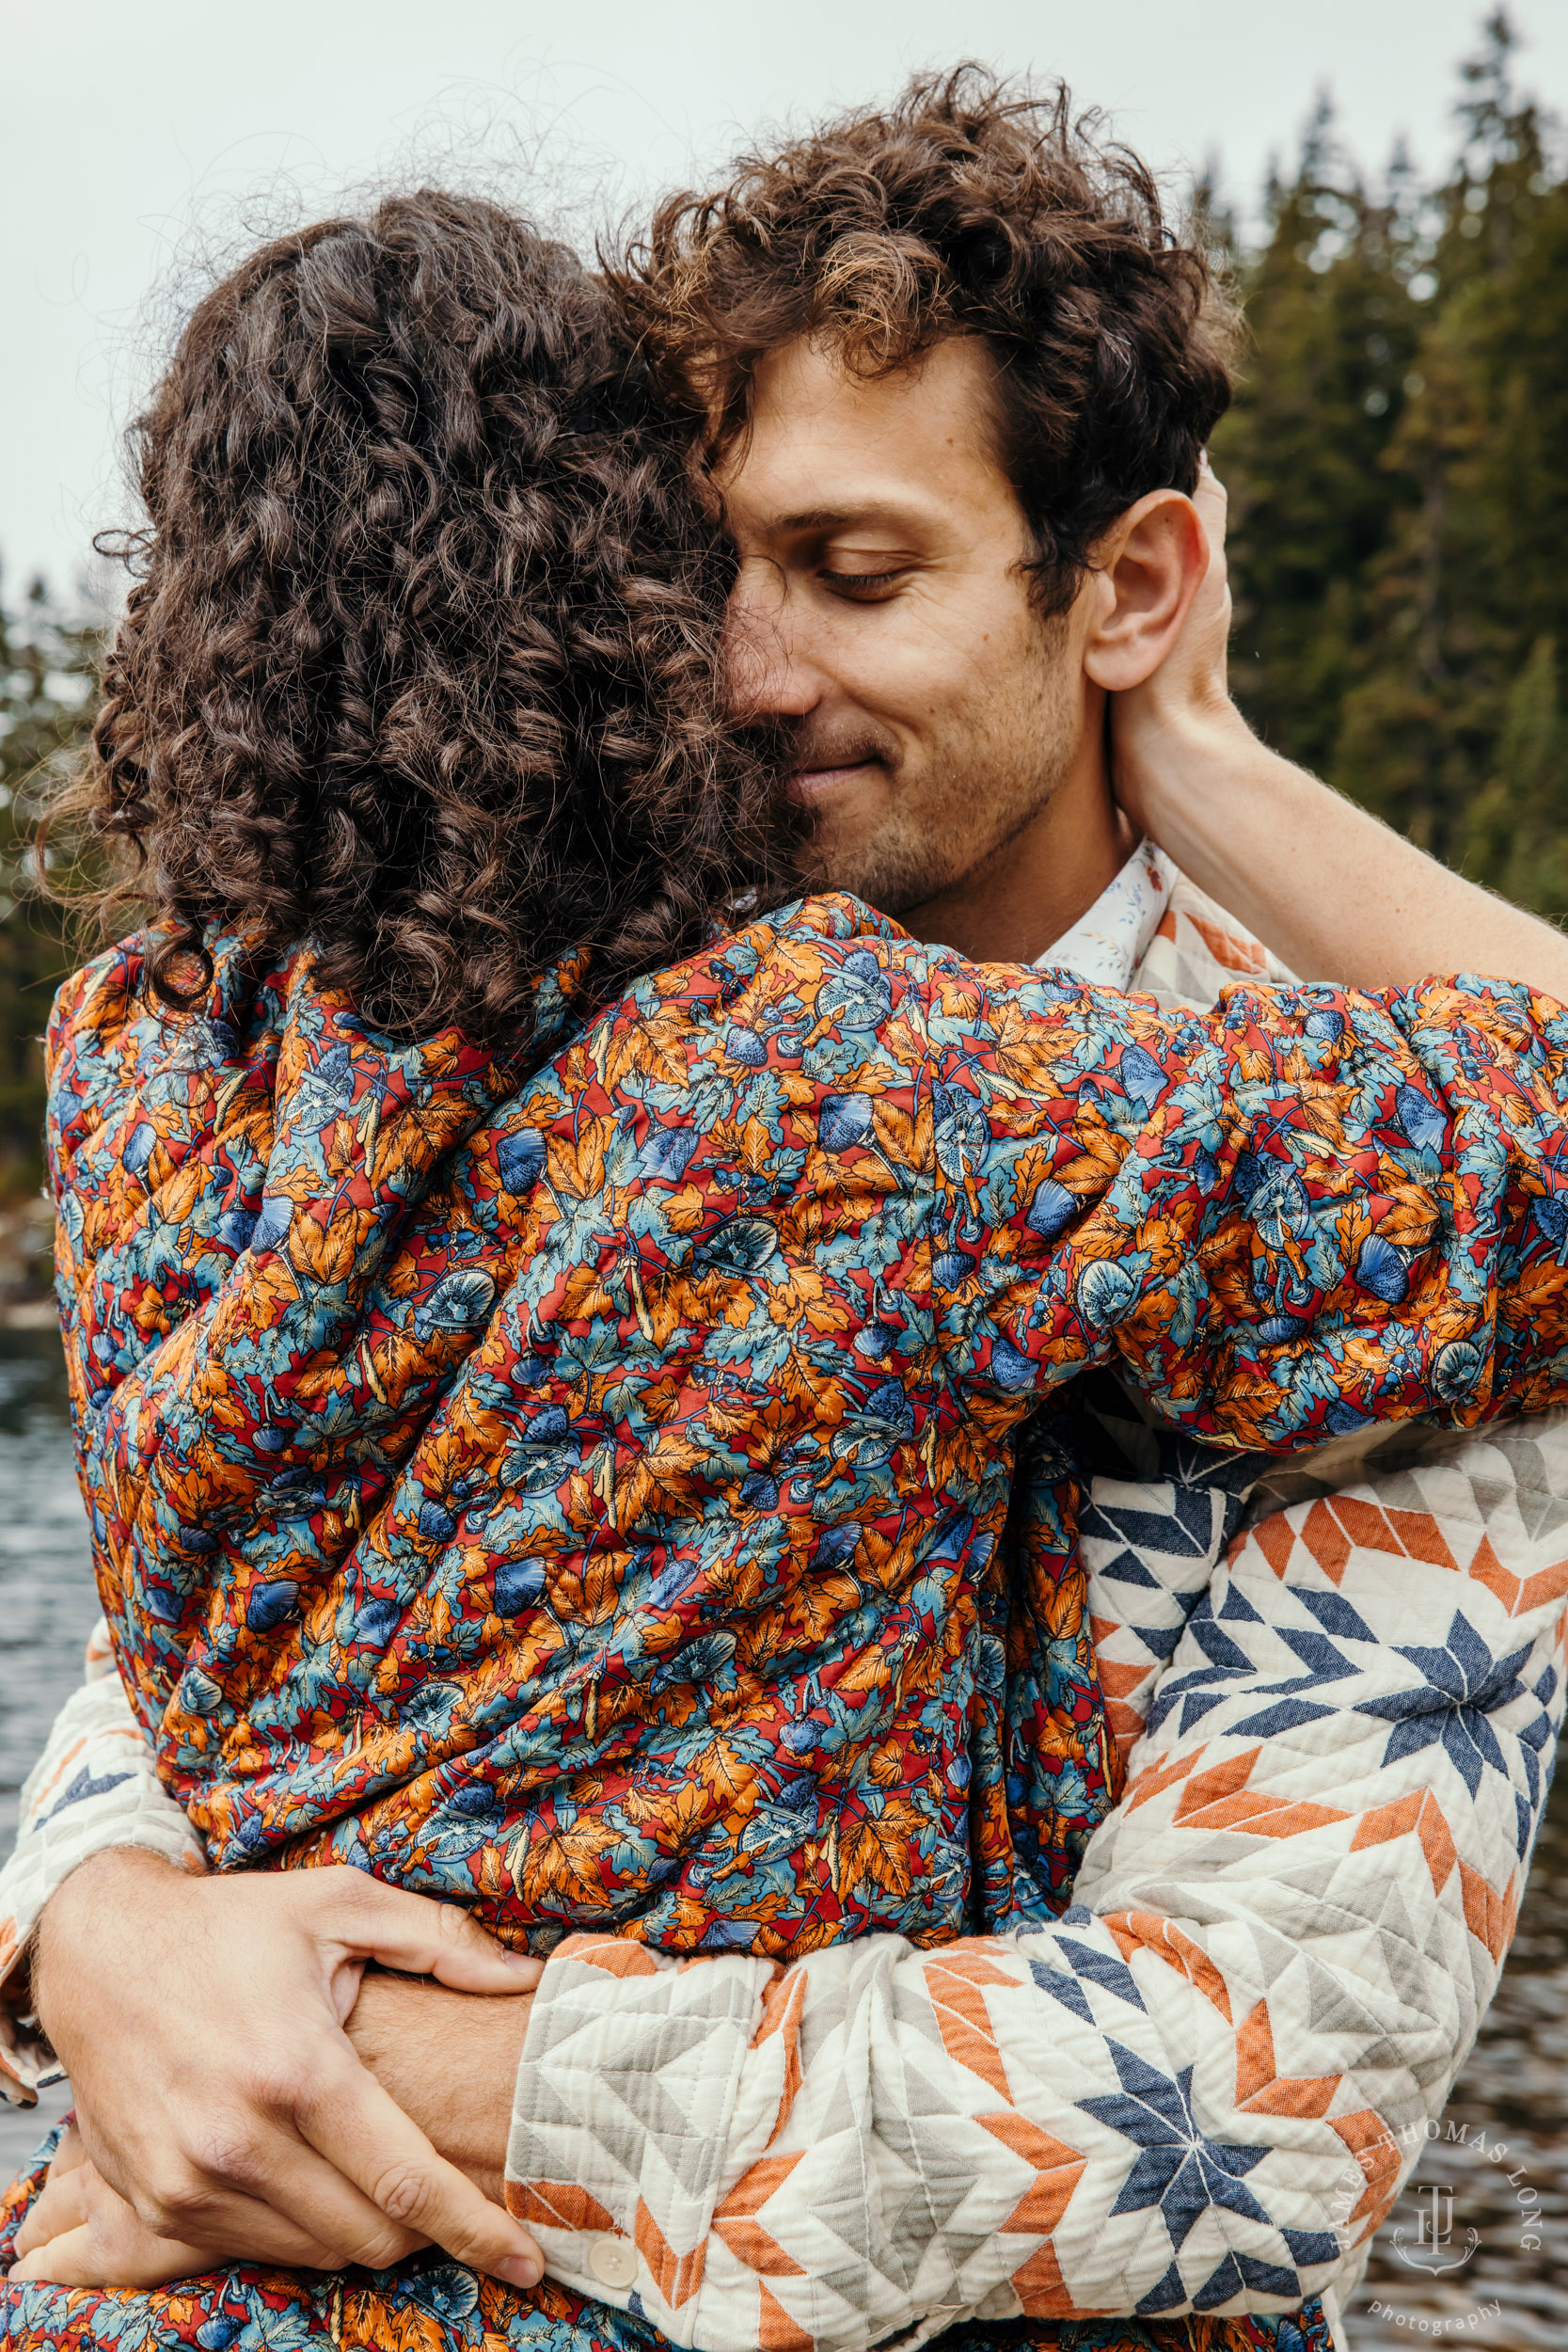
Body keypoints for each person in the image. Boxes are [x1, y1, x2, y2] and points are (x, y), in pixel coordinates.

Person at [6, 77, 1568, 2352]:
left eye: (854, 574)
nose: (738, 673)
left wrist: (316, 2062)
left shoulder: (1364, 1172)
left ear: (1125, 584)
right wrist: (89, 1929)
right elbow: (178, 1681)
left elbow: (1241, 2128)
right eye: (690, 570)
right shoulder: (560, 1031)